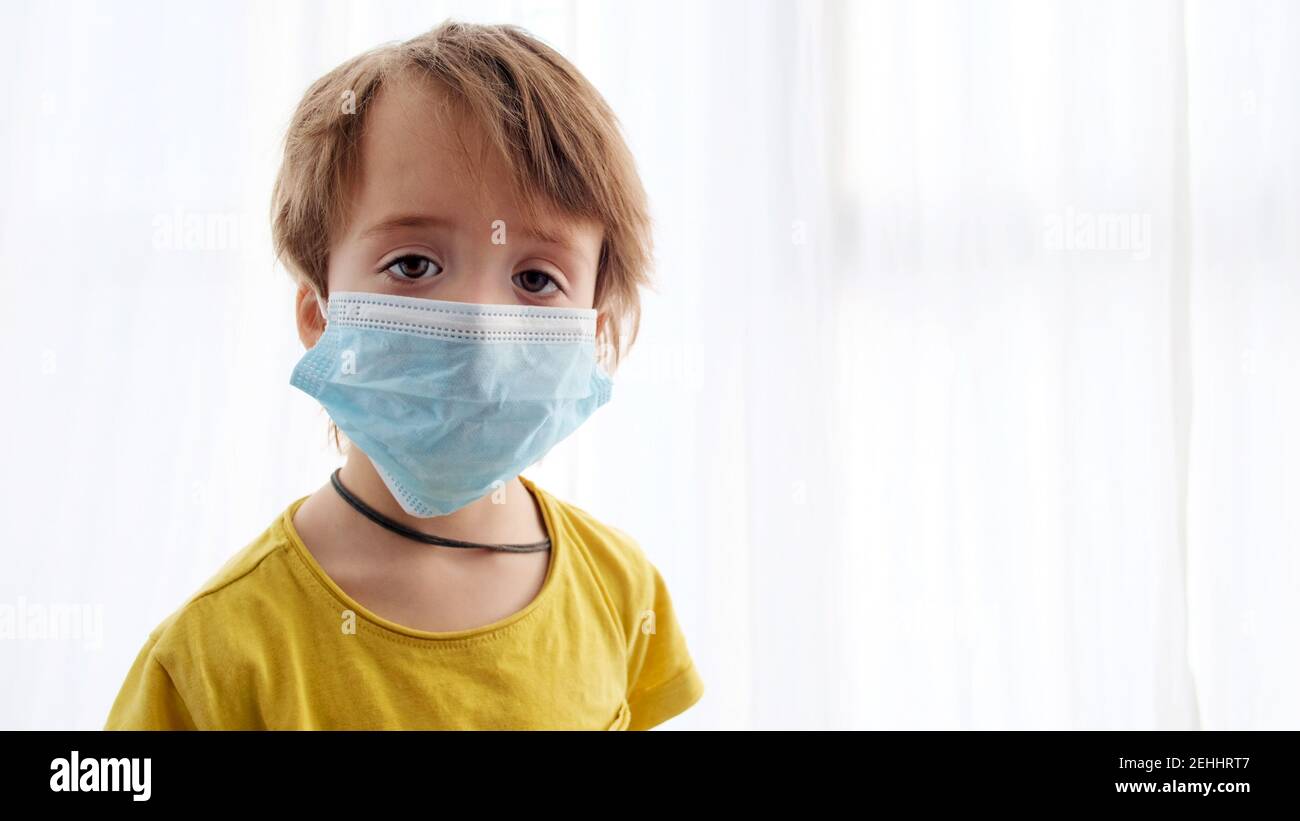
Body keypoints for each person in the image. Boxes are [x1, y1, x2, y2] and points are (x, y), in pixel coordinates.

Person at [104, 20, 703, 730]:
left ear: (594, 329)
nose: (480, 328)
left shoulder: (622, 592)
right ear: (318, 312)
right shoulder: (214, 661)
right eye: (414, 265)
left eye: (536, 277)